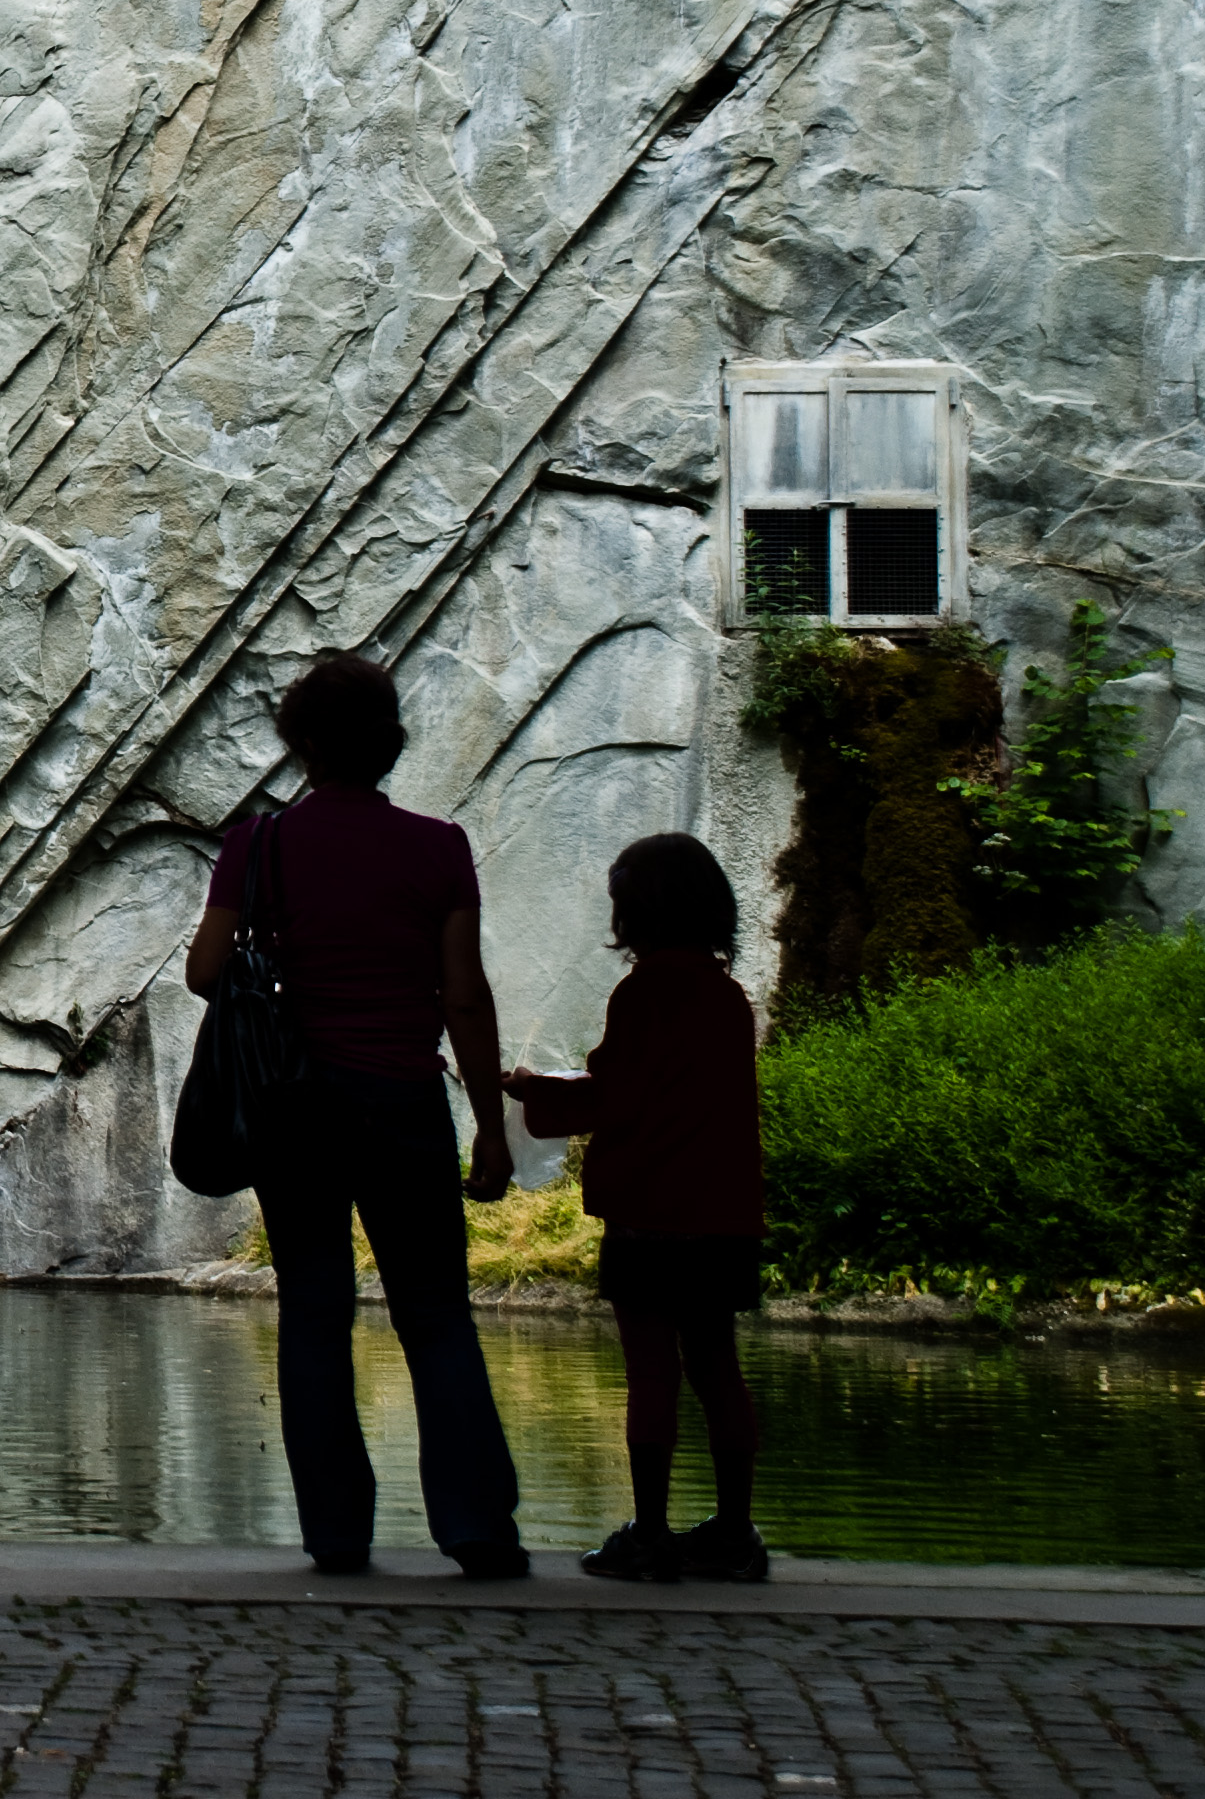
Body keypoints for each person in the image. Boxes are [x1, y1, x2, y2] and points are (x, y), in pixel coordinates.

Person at [189, 655, 527, 1579]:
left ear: (300, 746)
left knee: (313, 1312)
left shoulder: (257, 847)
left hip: (297, 1108)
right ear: (389, 742)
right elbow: (464, 995)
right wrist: (491, 1127)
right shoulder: (438, 846)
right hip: (405, 1101)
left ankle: (337, 1533)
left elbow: (206, 973)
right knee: (436, 1315)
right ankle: (476, 1530)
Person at [505, 832, 770, 1583]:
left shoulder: (643, 991)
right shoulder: (726, 997)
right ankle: (735, 1531)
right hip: (721, 1218)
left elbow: (619, 1097)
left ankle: (650, 1532)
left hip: (650, 1216)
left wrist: (534, 1093)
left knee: (652, 1369)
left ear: (639, 912)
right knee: (718, 1365)